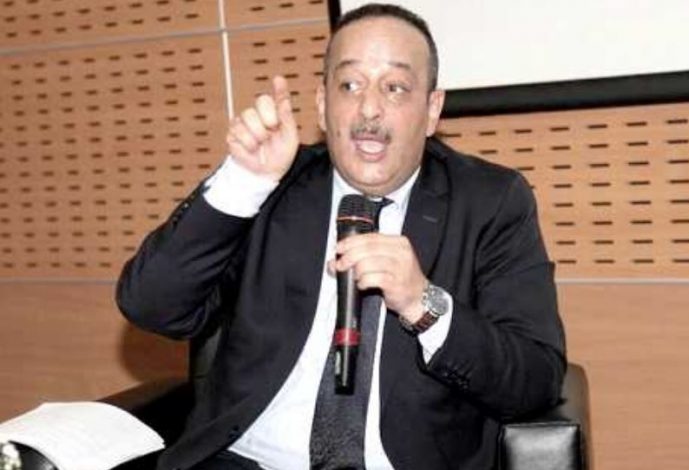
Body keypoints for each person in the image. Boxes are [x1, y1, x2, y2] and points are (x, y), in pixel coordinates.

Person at [117, 3, 566, 469]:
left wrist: (424, 305)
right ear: (321, 104)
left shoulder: (491, 201)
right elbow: (151, 305)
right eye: (350, 85)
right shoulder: (273, 184)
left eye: (395, 88)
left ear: (432, 110)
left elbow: (535, 379)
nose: (369, 108)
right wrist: (242, 183)